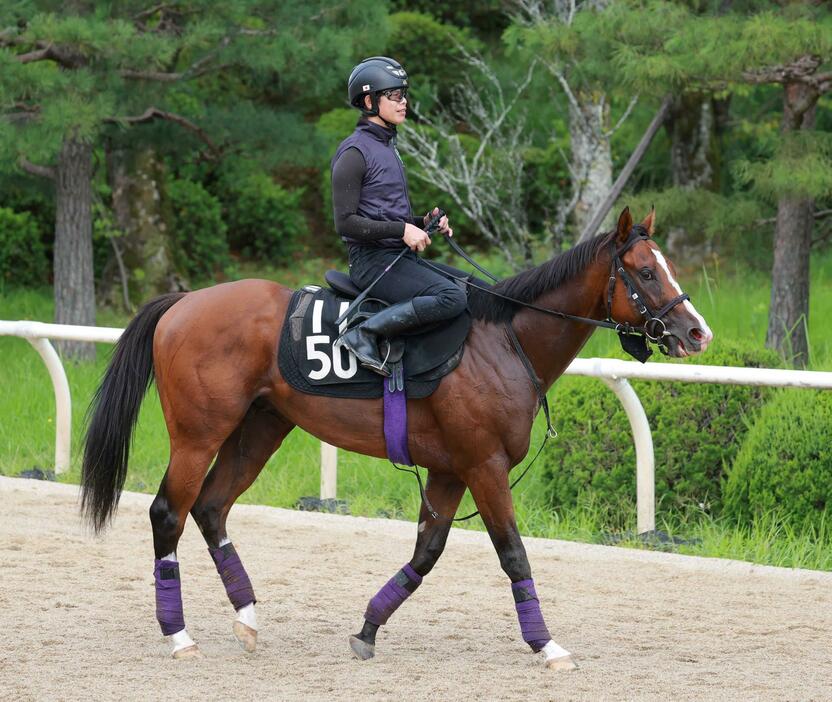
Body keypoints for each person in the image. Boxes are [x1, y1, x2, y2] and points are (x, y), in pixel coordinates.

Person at [331, 56, 467, 377]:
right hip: (371, 262)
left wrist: (422, 222)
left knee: (471, 288)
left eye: (404, 94)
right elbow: (346, 223)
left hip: (397, 257)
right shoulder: (354, 153)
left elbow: (386, 215)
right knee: (452, 297)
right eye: (394, 95)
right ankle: (365, 333)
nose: (403, 102)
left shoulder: (388, 145)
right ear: (369, 101)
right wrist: (402, 229)